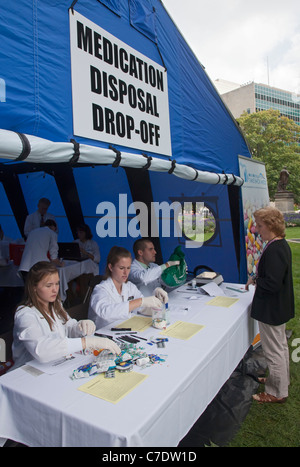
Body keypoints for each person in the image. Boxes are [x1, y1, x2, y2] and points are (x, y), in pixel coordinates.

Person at [12, 261, 120, 369]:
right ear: (34, 287)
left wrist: (80, 327)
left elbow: (68, 327)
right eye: (49, 285)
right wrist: (85, 342)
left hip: (54, 364)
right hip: (28, 371)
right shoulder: (25, 315)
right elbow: (41, 351)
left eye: (57, 283)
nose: (55, 290)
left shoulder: (55, 305)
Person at [245, 206, 294, 403]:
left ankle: (276, 392)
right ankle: (280, 380)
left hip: (272, 309)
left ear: (271, 226)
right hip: (279, 307)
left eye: (260, 225)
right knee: (280, 347)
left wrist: (256, 281)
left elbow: (272, 283)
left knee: (273, 350)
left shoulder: (275, 249)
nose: (256, 229)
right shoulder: (279, 245)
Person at [88, 246, 165, 329]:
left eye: (128, 268)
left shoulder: (129, 287)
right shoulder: (101, 289)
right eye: (121, 268)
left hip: (125, 327)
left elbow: (141, 308)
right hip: (103, 332)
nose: (126, 272)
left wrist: (155, 301)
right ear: (110, 267)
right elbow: (105, 312)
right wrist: (139, 301)